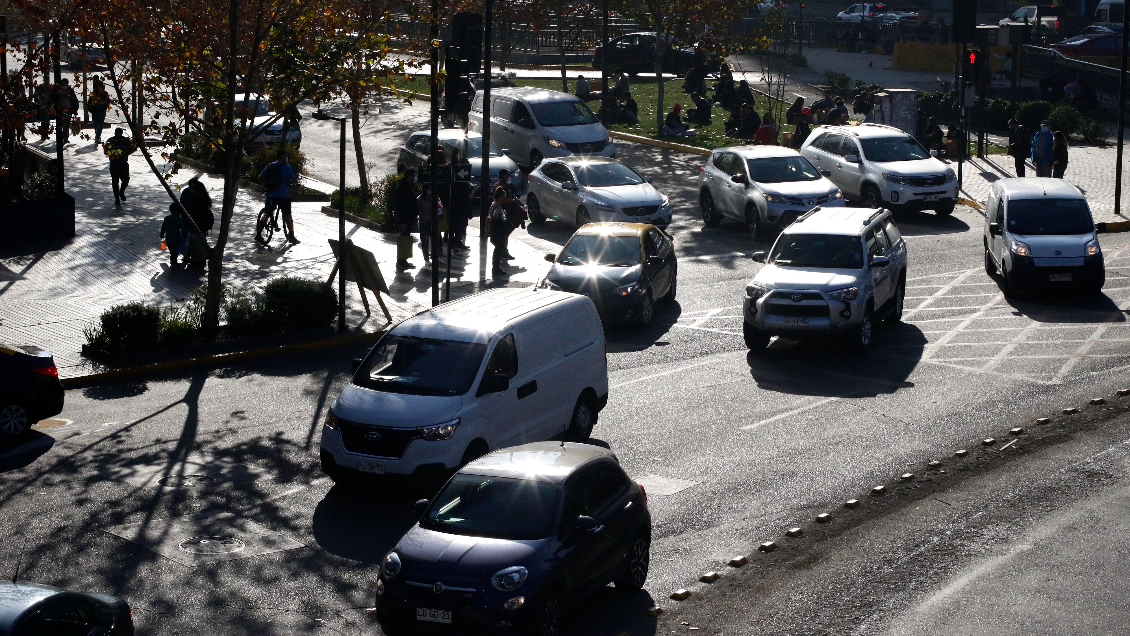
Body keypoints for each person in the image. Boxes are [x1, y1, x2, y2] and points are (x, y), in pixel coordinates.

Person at [258, 149, 300, 244]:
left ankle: (258, 233)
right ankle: (292, 236)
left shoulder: (270, 165)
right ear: (282, 157)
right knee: (287, 215)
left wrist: (267, 186)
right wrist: (293, 182)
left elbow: (260, 177)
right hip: (282, 196)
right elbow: (294, 180)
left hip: (270, 194)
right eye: (285, 156)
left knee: (267, 213)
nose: (286, 158)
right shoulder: (287, 167)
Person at [490, 169, 524, 275]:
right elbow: (497, 218)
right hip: (498, 228)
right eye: (507, 175)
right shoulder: (499, 190)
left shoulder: (505, 187)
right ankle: (497, 266)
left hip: (501, 224)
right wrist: (511, 201)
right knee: (499, 245)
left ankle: (503, 253)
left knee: (503, 239)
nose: (508, 177)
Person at [394, 168, 419, 271]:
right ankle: (400, 261)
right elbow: (400, 206)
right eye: (412, 176)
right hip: (404, 218)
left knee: (406, 239)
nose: (413, 178)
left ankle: (404, 260)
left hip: (409, 218)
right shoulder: (401, 188)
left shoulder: (409, 187)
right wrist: (402, 221)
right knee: (403, 239)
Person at [103, 128, 136, 206]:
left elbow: (106, 151)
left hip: (121, 162)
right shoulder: (112, 141)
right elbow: (106, 151)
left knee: (124, 180)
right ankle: (117, 197)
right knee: (116, 181)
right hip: (116, 163)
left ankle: (121, 192)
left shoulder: (123, 141)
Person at [417, 183, 444, 264]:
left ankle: (435, 257)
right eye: (428, 189)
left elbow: (440, 208)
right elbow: (417, 209)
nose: (429, 191)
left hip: (434, 222)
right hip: (424, 222)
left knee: (435, 241)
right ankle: (426, 259)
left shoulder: (435, 198)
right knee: (425, 241)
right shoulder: (420, 199)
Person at [160, 203, 188, 268]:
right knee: (175, 252)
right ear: (178, 211)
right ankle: (173, 262)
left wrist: (162, 237)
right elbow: (183, 228)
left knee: (172, 251)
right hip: (177, 239)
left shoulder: (167, 218)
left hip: (169, 239)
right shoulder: (179, 219)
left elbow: (163, 228)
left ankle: (173, 261)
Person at [88, 76, 111, 144]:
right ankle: (97, 135)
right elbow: (89, 103)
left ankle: (97, 137)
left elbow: (107, 101)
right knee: (95, 124)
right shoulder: (93, 95)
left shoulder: (104, 94)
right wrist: (91, 109)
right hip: (95, 111)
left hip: (101, 111)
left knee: (100, 124)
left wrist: (104, 104)